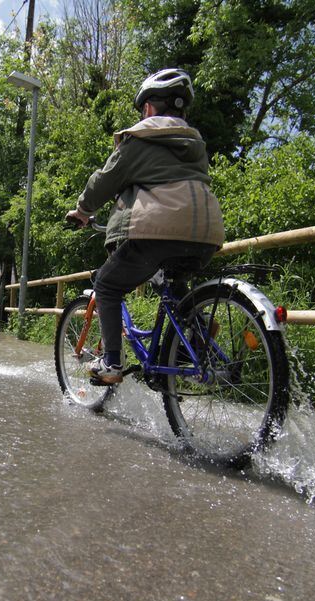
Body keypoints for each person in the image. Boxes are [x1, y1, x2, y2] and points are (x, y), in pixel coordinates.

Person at [65, 68, 226, 385]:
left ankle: (111, 363)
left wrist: (83, 210)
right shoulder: (195, 146)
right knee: (172, 289)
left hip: (155, 232)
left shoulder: (139, 140)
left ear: (149, 108)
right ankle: (196, 331)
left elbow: (104, 181)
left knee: (108, 286)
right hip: (206, 233)